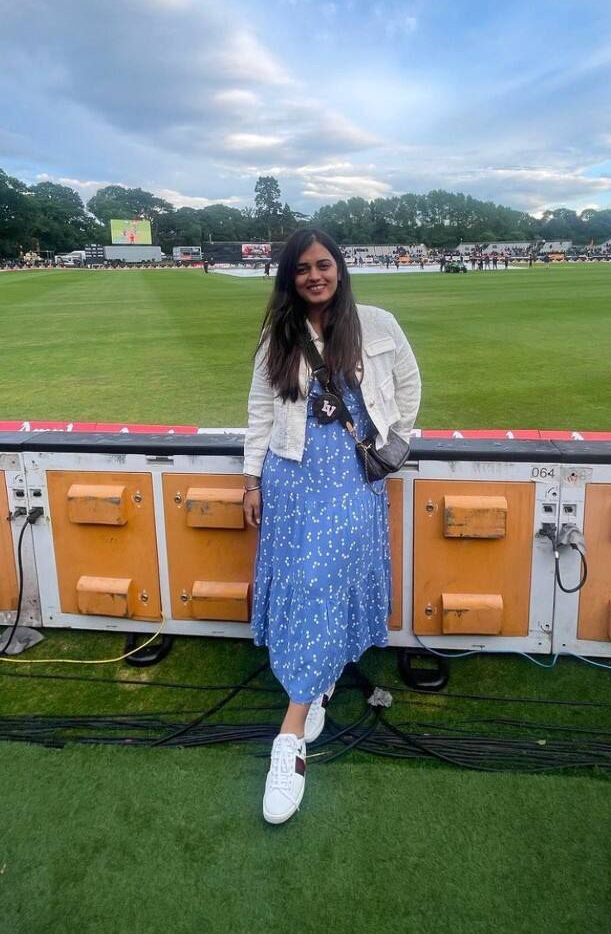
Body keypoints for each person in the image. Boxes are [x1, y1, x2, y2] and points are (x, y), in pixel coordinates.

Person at [243, 228, 421, 825]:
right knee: (305, 587)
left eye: (323, 265)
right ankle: (312, 687)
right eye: (301, 269)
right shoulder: (282, 332)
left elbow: (409, 387)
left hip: (352, 474)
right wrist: (251, 479)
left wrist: (395, 443)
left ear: (339, 268)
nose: (314, 276)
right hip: (292, 475)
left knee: (325, 583)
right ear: (289, 277)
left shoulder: (376, 322)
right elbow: (262, 410)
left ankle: (288, 740)